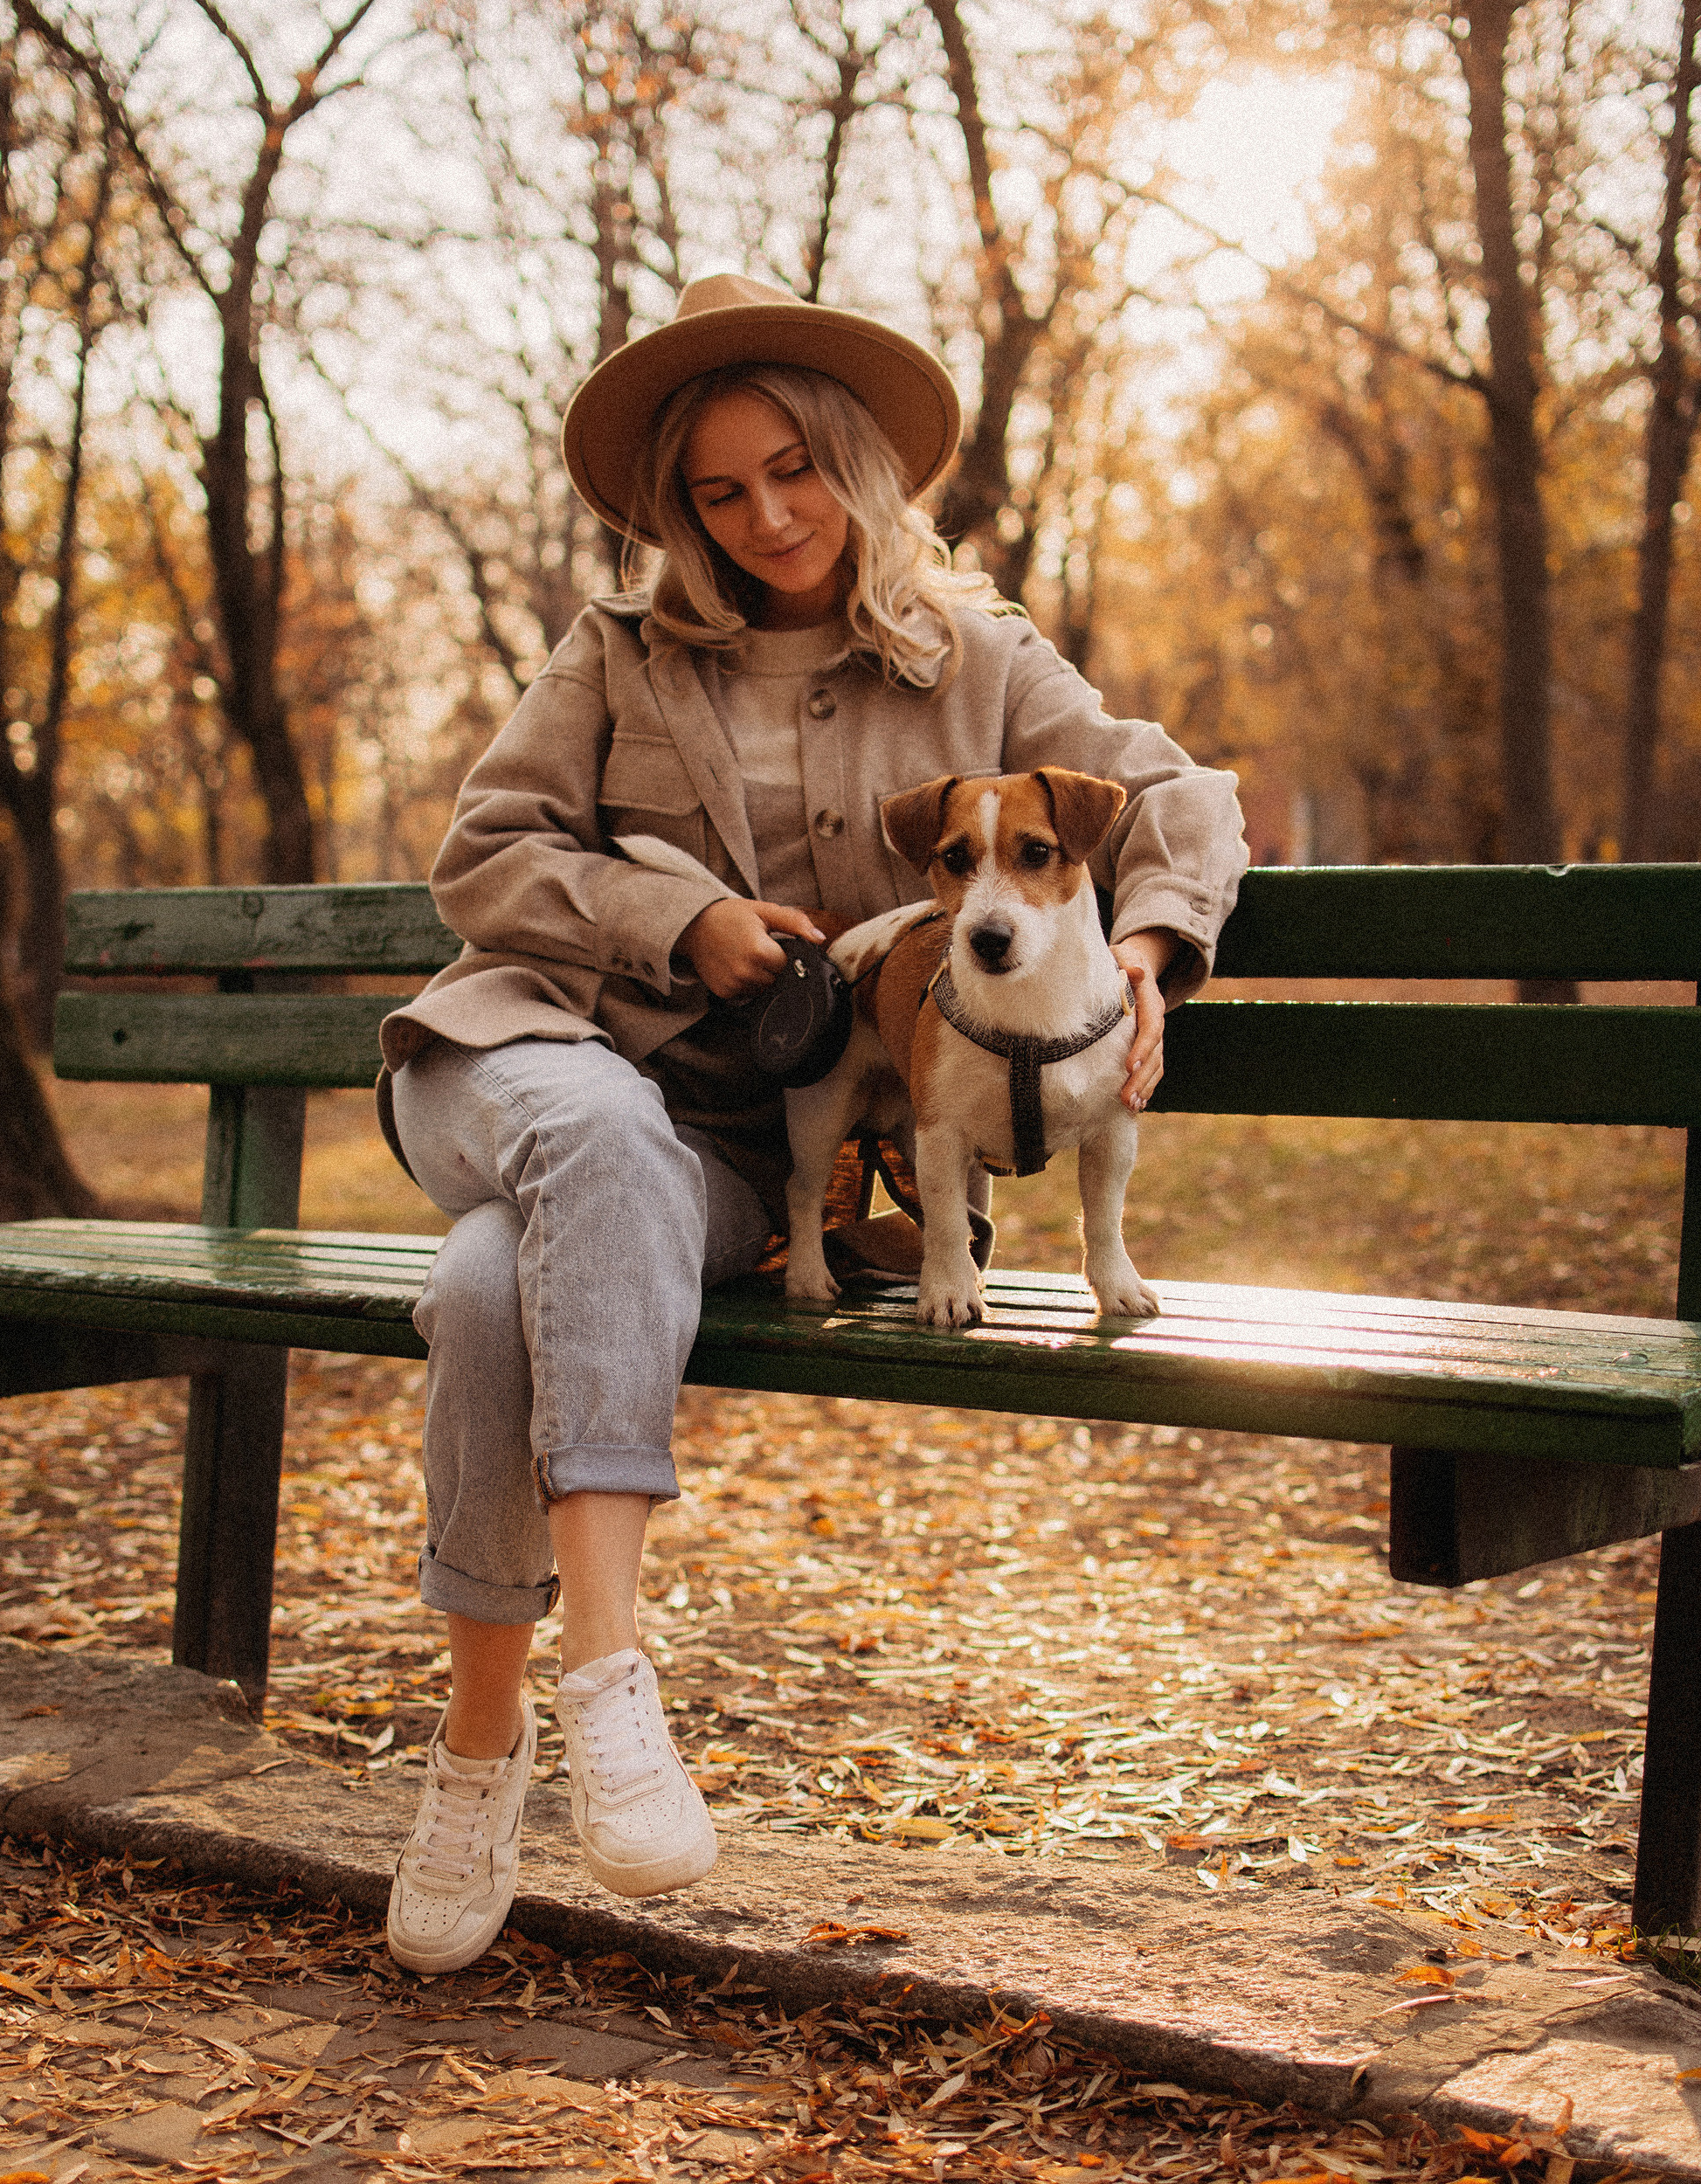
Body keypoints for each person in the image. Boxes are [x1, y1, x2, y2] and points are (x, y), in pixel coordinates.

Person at [372, 273, 1248, 1974]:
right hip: (525, 1061)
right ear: (674, 507)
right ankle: (612, 1674)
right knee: (586, 1145)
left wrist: (1146, 942)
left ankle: (479, 1758)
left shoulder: (975, 657)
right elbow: (481, 854)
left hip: (722, 1165)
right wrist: (666, 916)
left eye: (794, 467)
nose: (765, 513)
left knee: (492, 1288)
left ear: (854, 461)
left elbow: (1175, 791)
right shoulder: (613, 652)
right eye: (718, 487)